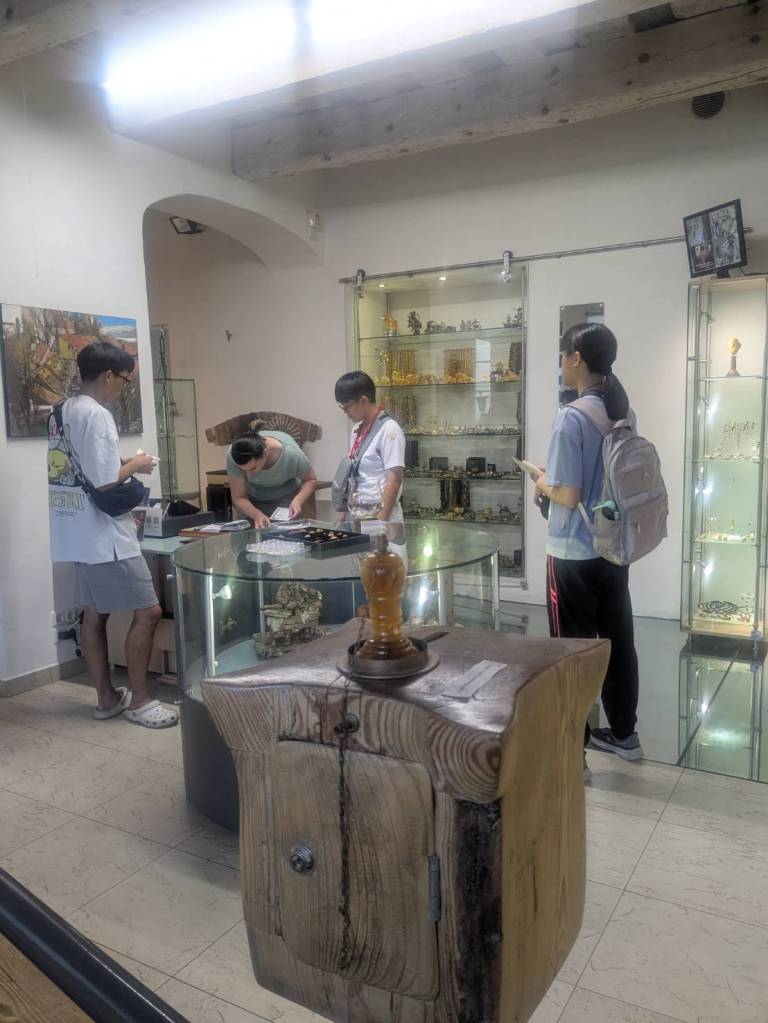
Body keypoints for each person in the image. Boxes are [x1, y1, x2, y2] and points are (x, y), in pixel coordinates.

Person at [48, 341, 178, 728]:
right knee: (149, 610)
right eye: (125, 379)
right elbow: (105, 481)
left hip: (76, 532)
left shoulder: (61, 411)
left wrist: (123, 464)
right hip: (105, 536)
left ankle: (106, 698)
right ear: (109, 375)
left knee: (93, 613)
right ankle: (140, 701)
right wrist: (137, 463)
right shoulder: (98, 414)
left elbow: (82, 469)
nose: (124, 385)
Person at [534, 323, 642, 773]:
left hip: (572, 554)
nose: (561, 363)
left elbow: (568, 493)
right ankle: (624, 735)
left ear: (577, 357)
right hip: (613, 547)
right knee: (617, 642)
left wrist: (541, 480)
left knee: (570, 653)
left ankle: (571, 752)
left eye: (563, 355)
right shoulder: (622, 412)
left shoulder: (571, 417)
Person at [334, 371, 405, 525]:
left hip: (382, 515)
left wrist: (380, 523)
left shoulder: (389, 430)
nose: (345, 413)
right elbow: (354, 470)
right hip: (359, 512)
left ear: (363, 401)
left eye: (347, 407)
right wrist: (343, 512)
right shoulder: (356, 429)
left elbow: (394, 480)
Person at [226, 421, 318, 528]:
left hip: (287, 501)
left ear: (265, 453)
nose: (249, 473)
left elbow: (311, 479)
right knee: (253, 535)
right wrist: (256, 514)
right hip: (252, 503)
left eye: (253, 467)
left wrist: (298, 500)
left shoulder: (291, 454)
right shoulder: (234, 454)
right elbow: (238, 497)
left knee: (289, 535)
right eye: (243, 470)